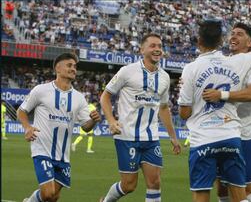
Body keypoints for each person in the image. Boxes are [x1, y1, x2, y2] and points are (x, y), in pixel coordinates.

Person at [178, 20, 251, 202]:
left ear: (199, 41)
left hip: (203, 140)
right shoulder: (237, 62)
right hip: (231, 136)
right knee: (239, 195)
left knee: (202, 193)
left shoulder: (190, 69)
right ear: (222, 40)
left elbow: (184, 113)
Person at [100, 33, 181, 202]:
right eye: (152, 46)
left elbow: (164, 107)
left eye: (159, 46)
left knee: (155, 182)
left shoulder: (165, 77)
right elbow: (105, 96)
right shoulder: (127, 71)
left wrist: (173, 137)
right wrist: (111, 120)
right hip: (127, 136)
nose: (157, 49)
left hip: (151, 138)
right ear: (142, 49)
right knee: (129, 185)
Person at [17, 52, 101, 202]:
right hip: (42, 150)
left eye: (75, 66)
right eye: (69, 65)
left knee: (53, 197)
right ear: (58, 68)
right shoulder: (41, 90)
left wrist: (93, 121)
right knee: (48, 193)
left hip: (63, 155)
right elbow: (22, 111)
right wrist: (27, 127)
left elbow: (85, 127)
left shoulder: (79, 98)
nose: (73, 69)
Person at [202, 22, 251, 202]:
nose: (233, 36)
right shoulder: (225, 64)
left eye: (239, 34)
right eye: (232, 33)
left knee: (247, 192)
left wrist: (220, 95)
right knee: (222, 190)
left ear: (250, 42)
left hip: (247, 136)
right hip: (223, 134)